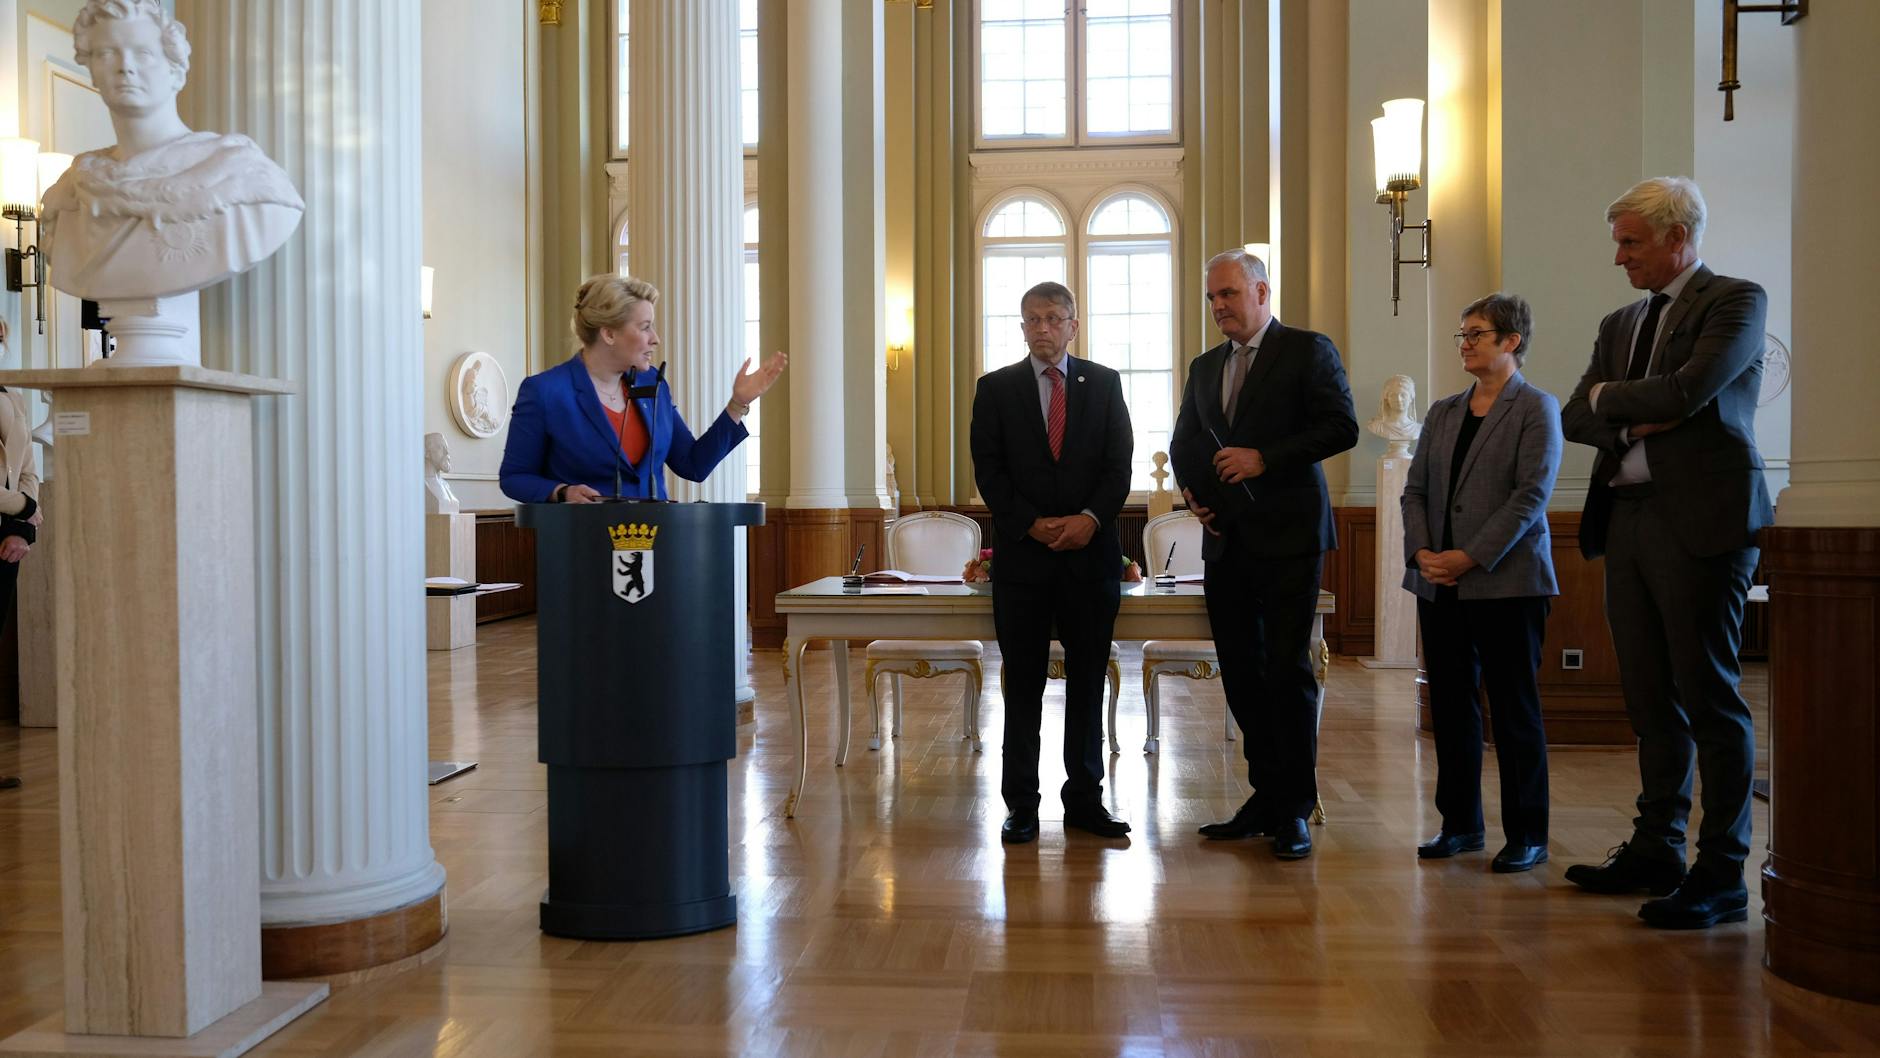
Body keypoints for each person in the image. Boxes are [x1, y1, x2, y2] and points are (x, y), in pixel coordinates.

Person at [1560, 176, 1772, 930]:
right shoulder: (1620, 321)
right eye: (1618, 242)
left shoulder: (1735, 301)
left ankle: (1722, 872)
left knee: (1708, 696)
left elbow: (1689, 391)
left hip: (1702, 523)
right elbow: (1574, 412)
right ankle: (1657, 847)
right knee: (1649, 698)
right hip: (1627, 517)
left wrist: (1616, 400)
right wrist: (1627, 416)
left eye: (1631, 243)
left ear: (1678, 237)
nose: (1619, 257)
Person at [1172, 249, 1357, 860]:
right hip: (1224, 540)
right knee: (1242, 673)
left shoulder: (1307, 350)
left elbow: (1342, 427)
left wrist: (1264, 458)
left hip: (1289, 539)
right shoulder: (1205, 367)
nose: (1218, 306)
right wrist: (1194, 497)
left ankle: (1294, 807)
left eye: (1228, 293)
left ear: (1260, 291)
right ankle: (1267, 794)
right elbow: (1184, 441)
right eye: (1212, 297)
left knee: (1286, 671)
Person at [1402, 293, 1562, 874]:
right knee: (1450, 706)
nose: (1465, 344)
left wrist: (1469, 557)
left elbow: (1530, 496)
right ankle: (1461, 824)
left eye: (1477, 334)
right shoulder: (1444, 412)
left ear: (1511, 341)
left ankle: (1528, 834)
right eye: (1462, 334)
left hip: (1508, 583)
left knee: (1514, 709)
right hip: (1439, 582)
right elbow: (1415, 490)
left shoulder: (1536, 408)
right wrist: (1423, 553)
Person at [969, 280, 1134, 844]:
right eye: (1033, 319)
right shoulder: (996, 389)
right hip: (1024, 562)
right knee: (1023, 688)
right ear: (1022, 328)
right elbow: (989, 471)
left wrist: (1089, 518)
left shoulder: (1105, 384)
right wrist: (1030, 523)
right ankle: (1021, 805)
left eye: (1054, 318)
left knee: (1088, 685)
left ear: (1073, 326)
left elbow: (1118, 466)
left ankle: (1085, 800)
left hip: (1090, 560)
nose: (1044, 327)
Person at [41, 0, 304, 302]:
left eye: (143, 53)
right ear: (92, 70)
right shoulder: (73, 193)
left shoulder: (242, 176)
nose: (125, 67)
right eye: (107, 53)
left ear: (176, 70)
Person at [499, 274, 785, 503]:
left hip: (654, 542)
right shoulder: (546, 392)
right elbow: (514, 477)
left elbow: (693, 465)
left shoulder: (653, 386)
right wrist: (562, 492)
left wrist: (737, 404)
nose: (655, 338)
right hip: (581, 543)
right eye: (645, 327)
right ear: (609, 334)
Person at [0, 332, 41, 792]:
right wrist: (25, 509)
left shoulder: (11, 394)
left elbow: (28, 466)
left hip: (6, 530)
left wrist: (22, 527)